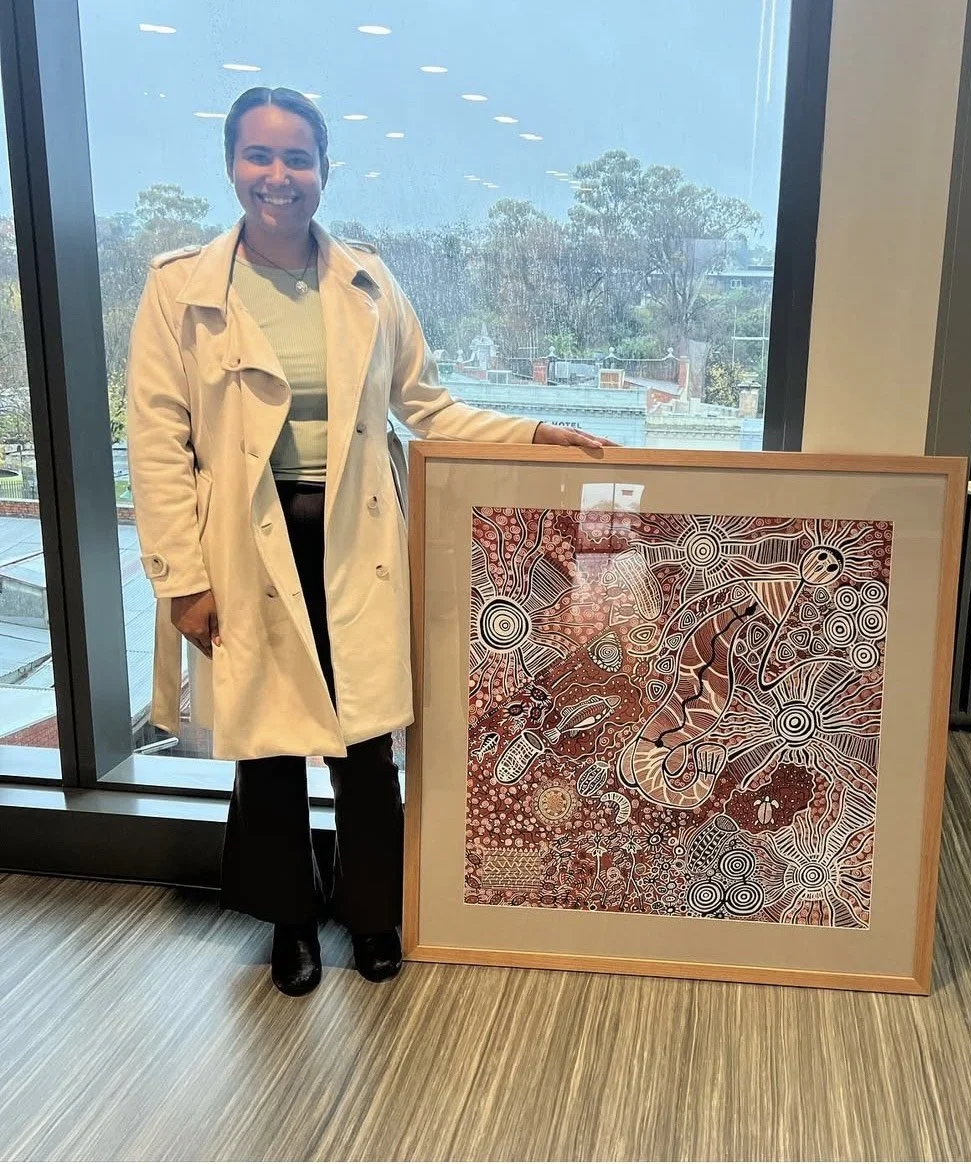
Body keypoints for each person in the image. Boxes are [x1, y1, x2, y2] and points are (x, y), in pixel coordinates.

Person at [126, 87, 613, 997]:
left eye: (298, 158)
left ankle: (373, 911)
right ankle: (291, 920)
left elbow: (426, 406)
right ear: (231, 164)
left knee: (365, 746)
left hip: (355, 541)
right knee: (268, 749)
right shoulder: (179, 289)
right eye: (260, 157)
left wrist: (532, 432)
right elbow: (155, 440)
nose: (279, 177)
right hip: (245, 549)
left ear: (324, 170)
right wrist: (180, 579)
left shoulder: (368, 283)